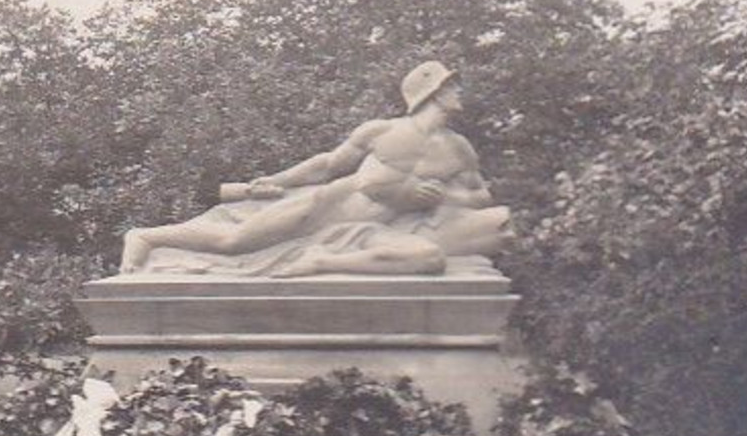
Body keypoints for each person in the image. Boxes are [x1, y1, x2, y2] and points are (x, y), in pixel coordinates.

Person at [119, 61, 512, 276]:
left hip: (363, 231)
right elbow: (327, 166)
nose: (459, 92)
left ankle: (319, 262)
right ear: (433, 94)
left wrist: (442, 196)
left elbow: (480, 196)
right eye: (452, 86)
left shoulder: (458, 149)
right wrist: (275, 180)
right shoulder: (383, 131)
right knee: (234, 243)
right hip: (324, 206)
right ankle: (147, 237)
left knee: (426, 258)